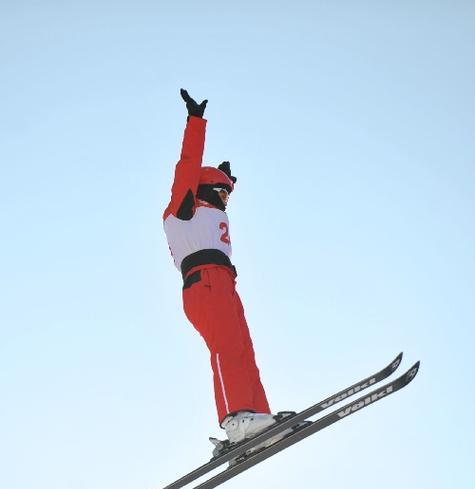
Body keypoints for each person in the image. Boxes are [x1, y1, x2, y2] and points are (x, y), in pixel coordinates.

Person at [163, 89, 289, 451]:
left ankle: (259, 420)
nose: (226, 199)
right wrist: (196, 123)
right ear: (204, 186)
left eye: (229, 193)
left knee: (242, 350)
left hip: (223, 283)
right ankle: (237, 419)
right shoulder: (183, 205)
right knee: (225, 348)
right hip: (202, 282)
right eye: (222, 190)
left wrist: (224, 180)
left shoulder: (209, 208)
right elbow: (187, 164)